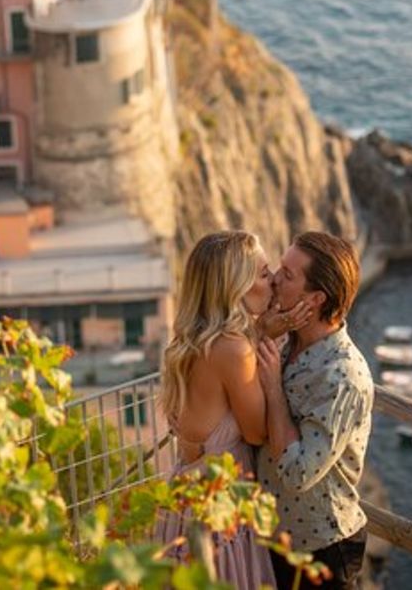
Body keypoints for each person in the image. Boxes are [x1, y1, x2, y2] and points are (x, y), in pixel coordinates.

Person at [157, 230, 312, 588]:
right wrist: (269, 373)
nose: (273, 280)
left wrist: (260, 333)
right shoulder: (234, 350)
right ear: (235, 287)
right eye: (261, 273)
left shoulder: (195, 338)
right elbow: (257, 432)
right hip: (219, 507)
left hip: (188, 497)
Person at [256, 231, 374, 590]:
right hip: (276, 537)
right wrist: (261, 330)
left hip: (321, 546)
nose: (275, 278)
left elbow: (296, 471)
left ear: (317, 299)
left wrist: (273, 388)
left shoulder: (342, 376)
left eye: (288, 275)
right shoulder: (283, 338)